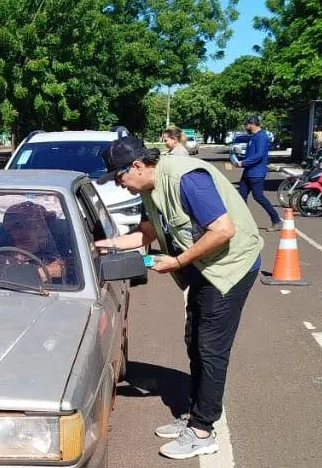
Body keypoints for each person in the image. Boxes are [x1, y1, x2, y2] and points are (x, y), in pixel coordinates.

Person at [93, 137, 263, 460]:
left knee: (210, 347)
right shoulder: (147, 189)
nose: (119, 184)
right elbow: (147, 233)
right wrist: (103, 246)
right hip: (204, 267)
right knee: (194, 339)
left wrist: (178, 261)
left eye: (119, 177)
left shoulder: (187, 179)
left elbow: (223, 230)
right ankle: (196, 414)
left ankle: (202, 431)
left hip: (231, 267)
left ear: (137, 166)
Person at [0, 201, 68, 281]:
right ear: (16, 232)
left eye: (44, 225)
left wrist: (63, 267)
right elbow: (1, 283)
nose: (43, 231)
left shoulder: (51, 256)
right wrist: (47, 272)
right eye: (35, 227)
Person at [236, 115, 281, 230]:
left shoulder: (262, 137)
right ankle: (244, 222)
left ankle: (276, 220)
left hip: (256, 173)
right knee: (241, 196)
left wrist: (243, 162)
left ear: (252, 124)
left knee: (258, 196)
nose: (245, 127)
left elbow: (259, 155)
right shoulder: (253, 136)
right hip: (248, 172)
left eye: (246, 125)